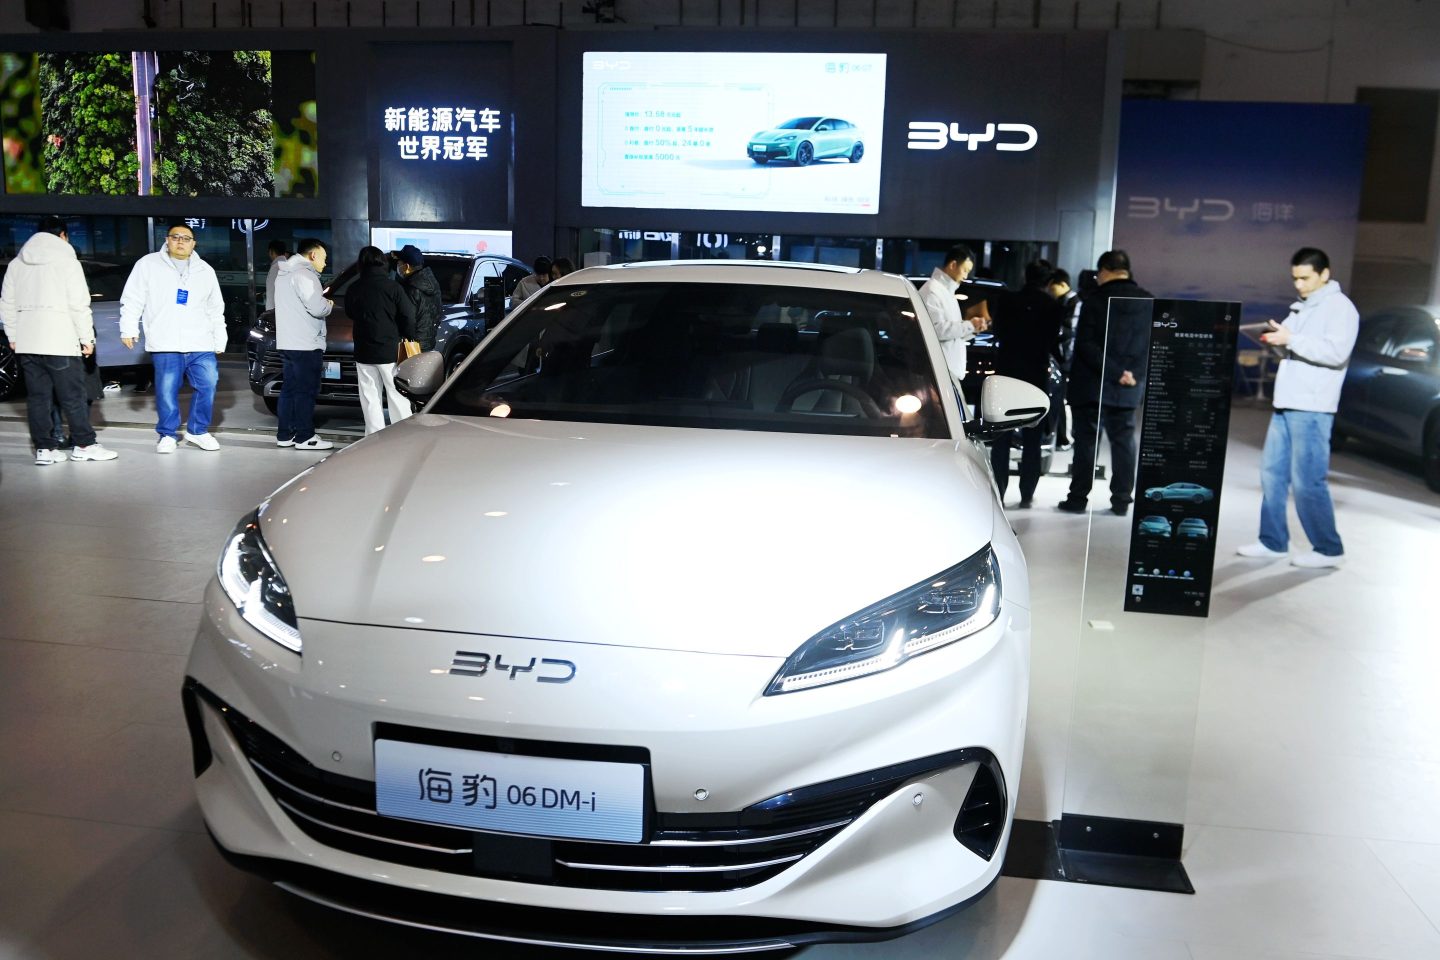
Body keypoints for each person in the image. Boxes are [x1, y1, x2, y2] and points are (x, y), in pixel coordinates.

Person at [1237, 247, 1359, 568]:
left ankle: (1329, 549)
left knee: (1308, 480)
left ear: (1324, 274)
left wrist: (1290, 339)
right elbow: (1295, 350)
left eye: (1305, 278)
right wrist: (1277, 341)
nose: (1299, 285)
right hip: (1287, 402)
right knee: (1273, 475)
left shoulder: (1340, 308)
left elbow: (1335, 353)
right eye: (1295, 279)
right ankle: (1273, 542)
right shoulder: (1301, 309)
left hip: (1313, 407)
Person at [0, 216, 118, 464]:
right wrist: (87, 338)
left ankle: (45, 449)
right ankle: (84, 445)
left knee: (38, 398)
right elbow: (79, 304)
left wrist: (12, 335)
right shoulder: (67, 261)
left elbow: (7, 304)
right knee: (73, 396)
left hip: (28, 342)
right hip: (60, 340)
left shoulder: (16, 264)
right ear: (63, 235)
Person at [1058, 249, 1153, 515]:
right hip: (1129, 387)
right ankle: (1122, 501)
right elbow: (1151, 345)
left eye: (1099, 273)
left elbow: (1087, 345)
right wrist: (1130, 373)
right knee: (1124, 442)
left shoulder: (1095, 300)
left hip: (1093, 386)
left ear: (1106, 271)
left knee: (1087, 443)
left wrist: (1114, 372)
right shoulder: (1148, 302)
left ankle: (1078, 500)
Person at [119, 221, 226, 453]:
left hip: (200, 341)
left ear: (193, 244)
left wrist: (220, 337)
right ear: (167, 240)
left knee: (208, 384)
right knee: (167, 390)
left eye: (186, 238)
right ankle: (167, 434)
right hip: (165, 341)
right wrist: (128, 328)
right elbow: (132, 298)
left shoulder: (205, 270)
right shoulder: (147, 265)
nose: (180, 241)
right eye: (175, 237)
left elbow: (215, 307)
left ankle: (198, 431)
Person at [989, 259, 1065, 507]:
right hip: (1035, 375)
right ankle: (1027, 494)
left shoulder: (1006, 300)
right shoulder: (1052, 307)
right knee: (1033, 437)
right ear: (1048, 281)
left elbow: (998, 333)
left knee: (1001, 436)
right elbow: (1052, 341)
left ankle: (999, 491)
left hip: (1007, 372)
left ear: (1025, 275)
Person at [346, 245, 417, 435]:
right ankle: (402, 435)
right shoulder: (393, 287)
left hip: (363, 351)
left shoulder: (354, 288)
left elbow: (350, 313)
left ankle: (373, 437)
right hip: (389, 350)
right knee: (396, 395)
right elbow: (408, 315)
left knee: (370, 397)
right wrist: (407, 335)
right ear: (383, 263)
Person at [273, 238, 335, 450]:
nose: (325, 263)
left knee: (289, 389)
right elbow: (318, 308)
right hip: (306, 343)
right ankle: (305, 437)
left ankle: (285, 434)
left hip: (288, 342)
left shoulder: (284, 274)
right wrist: (329, 304)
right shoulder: (304, 275)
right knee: (306, 391)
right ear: (313, 255)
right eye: (324, 258)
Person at [918, 244, 981, 388]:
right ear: (953, 265)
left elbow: (951, 333)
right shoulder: (932, 291)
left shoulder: (946, 292)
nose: (965, 276)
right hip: (939, 373)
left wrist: (973, 329)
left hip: (947, 372)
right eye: (965, 270)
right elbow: (936, 330)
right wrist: (969, 325)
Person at [1045, 267, 1078, 449]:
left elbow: (1069, 331)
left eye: (1053, 288)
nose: (1051, 292)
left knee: (1064, 401)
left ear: (1063, 284)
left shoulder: (1074, 303)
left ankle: (1065, 439)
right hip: (1061, 360)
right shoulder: (1062, 303)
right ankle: (1061, 438)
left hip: (1067, 360)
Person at [396, 244, 443, 351]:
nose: (398, 266)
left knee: (408, 368)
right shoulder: (433, 284)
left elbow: (407, 320)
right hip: (428, 342)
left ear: (407, 266)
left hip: (410, 346)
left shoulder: (411, 289)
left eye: (399, 263)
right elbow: (438, 313)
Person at [264, 239, 290, 309]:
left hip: (276, 312)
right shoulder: (288, 265)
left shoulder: (276, 267)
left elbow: (272, 292)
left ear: (271, 251)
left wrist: (269, 312)